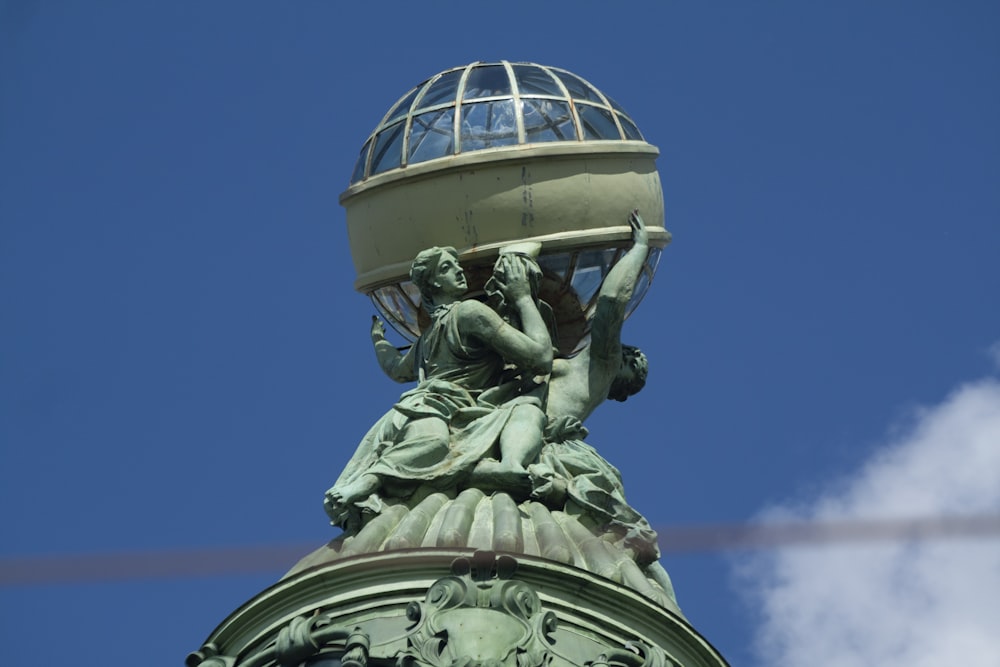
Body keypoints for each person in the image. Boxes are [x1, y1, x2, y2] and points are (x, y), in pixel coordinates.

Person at [324, 246, 552, 529]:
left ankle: (369, 483)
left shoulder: (428, 335)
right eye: (447, 268)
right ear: (432, 284)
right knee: (434, 446)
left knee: (518, 415)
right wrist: (522, 297)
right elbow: (541, 358)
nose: (459, 270)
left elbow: (396, 369)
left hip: (424, 409)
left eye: (456, 265)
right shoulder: (469, 313)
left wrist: (379, 342)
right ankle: (367, 482)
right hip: (434, 408)